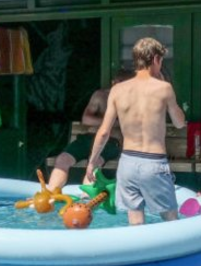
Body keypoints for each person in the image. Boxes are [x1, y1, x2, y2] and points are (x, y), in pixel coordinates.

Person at [86, 38, 186, 225]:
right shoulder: (164, 88)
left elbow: (103, 132)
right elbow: (180, 123)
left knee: (136, 224)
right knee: (172, 221)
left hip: (127, 163)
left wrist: (92, 162)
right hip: (153, 163)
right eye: (161, 61)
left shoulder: (117, 90)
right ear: (156, 59)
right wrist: (166, 87)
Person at [46, 68, 134, 191]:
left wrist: (106, 125)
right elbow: (86, 119)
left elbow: (130, 124)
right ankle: (51, 193)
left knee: (95, 162)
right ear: (113, 82)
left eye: (124, 83)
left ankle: (86, 199)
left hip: (111, 142)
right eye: (117, 82)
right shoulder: (100, 95)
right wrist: (111, 123)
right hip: (87, 138)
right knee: (62, 159)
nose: (118, 85)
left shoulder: (133, 101)